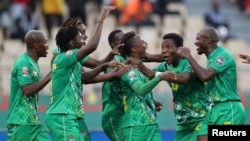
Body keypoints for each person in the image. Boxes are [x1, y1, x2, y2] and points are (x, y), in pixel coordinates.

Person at [45, 6, 118, 141]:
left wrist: (110, 68)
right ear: (71, 38)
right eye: (81, 33)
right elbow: (92, 47)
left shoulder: (73, 53)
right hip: (62, 113)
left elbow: (85, 76)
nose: (85, 36)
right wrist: (101, 19)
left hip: (73, 112)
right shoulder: (62, 53)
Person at [178, 27, 246, 126]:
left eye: (198, 39)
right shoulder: (211, 59)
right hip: (216, 110)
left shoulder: (223, 55)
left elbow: (205, 76)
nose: (195, 42)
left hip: (228, 108)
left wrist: (189, 56)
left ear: (208, 40)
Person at [118, 31, 173, 141]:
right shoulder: (128, 69)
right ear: (134, 49)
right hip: (135, 126)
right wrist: (160, 77)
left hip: (152, 123)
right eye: (143, 42)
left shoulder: (139, 68)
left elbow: (139, 95)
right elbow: (140, 90)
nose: (146, 44)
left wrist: (151, 102)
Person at [153, 33, 209, 141]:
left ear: (179, 50)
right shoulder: (165, 66)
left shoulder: (187, 62)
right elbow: (148, 77)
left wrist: (161, 75)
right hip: (183, 122)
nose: (164, 50)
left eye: (168, 47)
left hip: (202, 118)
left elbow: (184, 79)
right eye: (162, 47)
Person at [7, 30, 51, 141]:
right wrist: (50, 75)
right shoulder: (23, 62)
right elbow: (27, 90)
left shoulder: (33, 63)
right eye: (45, 43)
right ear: (36, 45)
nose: (48, 46)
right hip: (21, 122)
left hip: (34, 122)